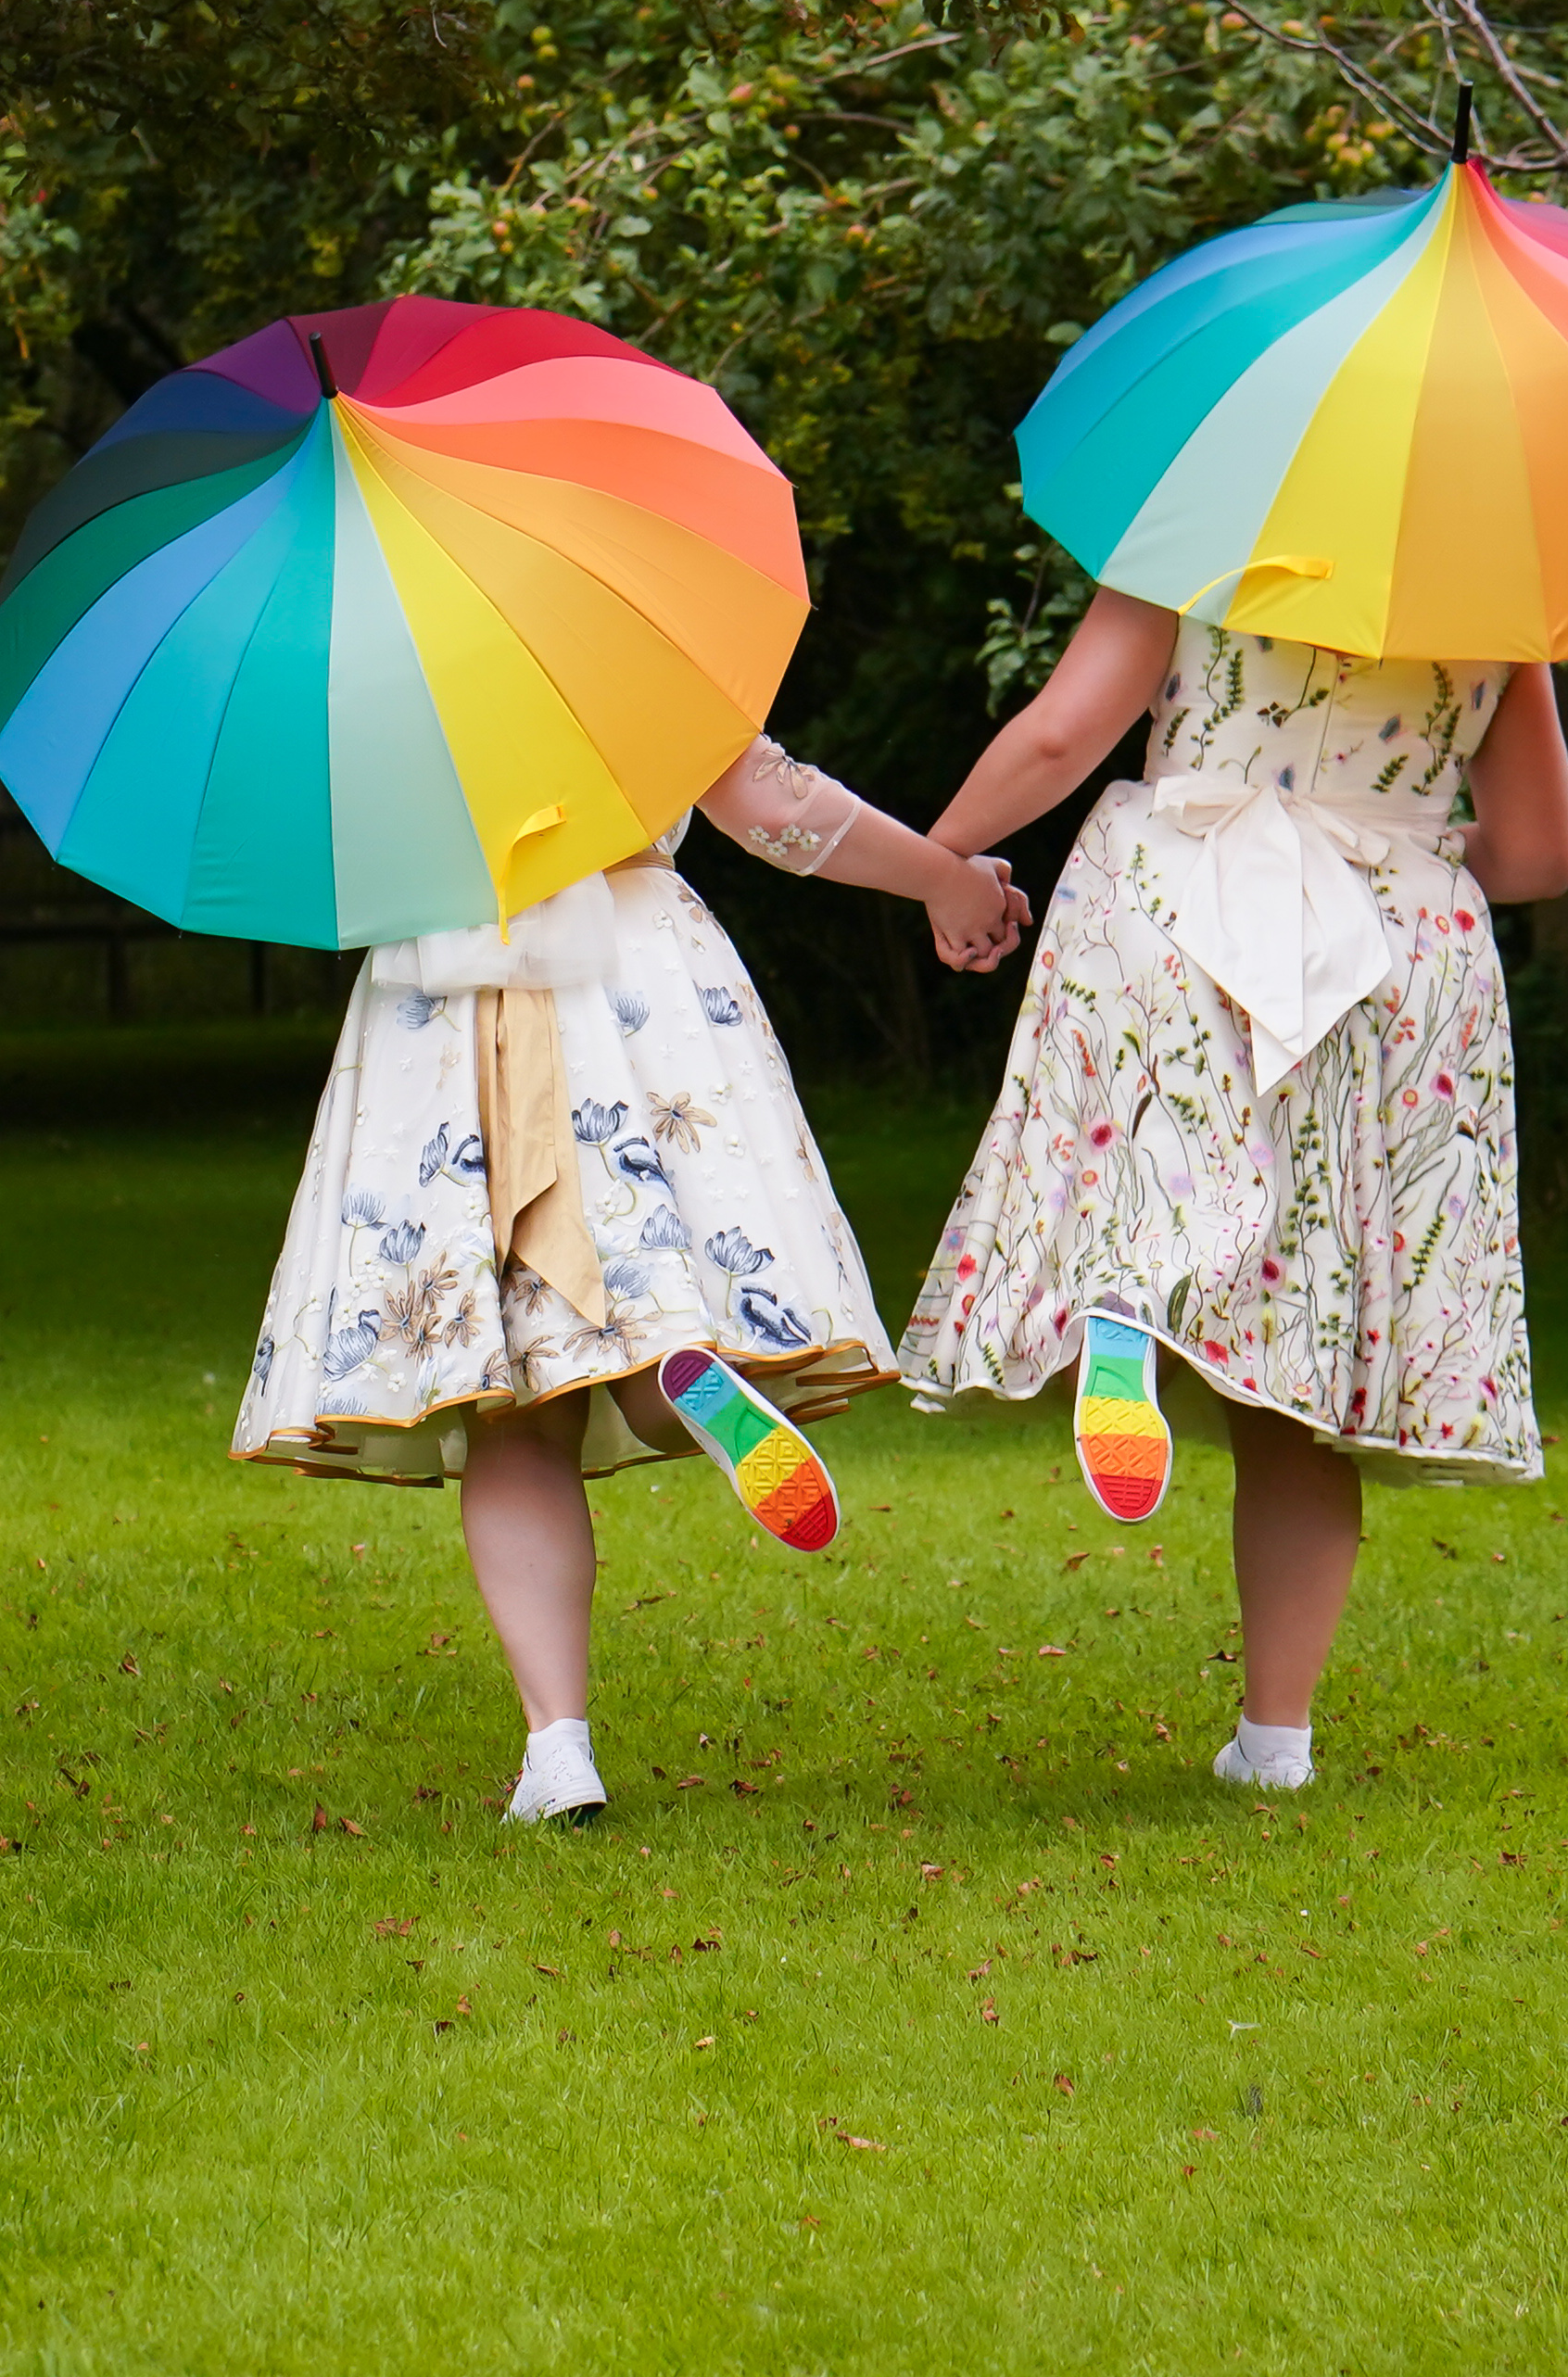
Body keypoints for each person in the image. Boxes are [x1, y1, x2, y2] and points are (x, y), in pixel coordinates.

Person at [236, 738, 1029, 1826]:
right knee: (647, 1298)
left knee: (511, 1396)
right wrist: (947, 877)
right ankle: (683, 1378)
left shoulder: (384, 655)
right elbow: (769, 802)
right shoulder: (625, 598)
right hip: (630, 968)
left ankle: (559, 1748)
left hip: (452, 977)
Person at [900, 594, 1568, 1793]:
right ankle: (1274, 1742)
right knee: (1306, 1346)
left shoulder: (1200, 534)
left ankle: (1126, 1316)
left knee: (1150, 1151)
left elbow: (1062, 734)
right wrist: (1396, 840)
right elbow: (1537, 854)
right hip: (1389, 943)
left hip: (1187, 897)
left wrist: (940, 857)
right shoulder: (1483, 582)